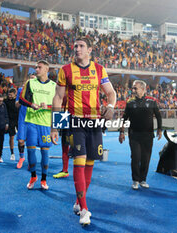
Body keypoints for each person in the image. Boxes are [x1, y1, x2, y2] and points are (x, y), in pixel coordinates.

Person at [50, 37, 116, 226]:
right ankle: (85, 209)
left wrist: (110, 107)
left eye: (81, 46)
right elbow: (58, 98)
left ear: (89, 50)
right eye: (75, 46)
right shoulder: (65, 70)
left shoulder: (100, 69)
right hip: (75, 122)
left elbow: (110, 93)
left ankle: (79, 201)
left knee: (89, 163)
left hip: (94, 123)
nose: (77, 49)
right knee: (79, 161)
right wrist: (55, 126)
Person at [18, 60, 56, 190]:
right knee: (31, 150)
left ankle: (44, 180)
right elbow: (21, 99)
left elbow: (59, 106)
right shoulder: (30, 83)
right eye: (36, 67)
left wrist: (49, 106)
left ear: (47, 69)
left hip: (46, 124)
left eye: (39, 67)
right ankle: (33, 176)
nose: (36, 69)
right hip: (32, 122)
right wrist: (31, 104)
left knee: (45, 153)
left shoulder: (53, 86)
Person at [119, 80, 162, 190]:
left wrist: (160, 129)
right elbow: (124, 118)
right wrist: (121, 132)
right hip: (134, 136)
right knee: (135, 157)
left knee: (145, 158)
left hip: (148, 136)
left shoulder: (152, 101)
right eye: (132, 88)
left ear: (143, 89)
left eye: (135, 88)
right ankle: (135, 180)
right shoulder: (130, 102)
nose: (133, 90)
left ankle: (143, 179)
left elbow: (158, 116)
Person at [15, 74, 36, 169]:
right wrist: (22, 99)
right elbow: (16, 105)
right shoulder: (21, 90)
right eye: (30, 79)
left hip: (33, 118)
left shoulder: (38, 91)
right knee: (20, 140)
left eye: (34, 79)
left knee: (32, 142)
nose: (32, 81)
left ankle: (30, 161)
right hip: (22, 118)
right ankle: (21, 157)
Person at [4, 88, 19, 160]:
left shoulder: (18, 101)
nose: (9, 96)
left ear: (15, 94)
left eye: (11, 94)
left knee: (21, 137)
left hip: (19, 120)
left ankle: (21, 154)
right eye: (9, 94)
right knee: (11, 137)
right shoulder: (6, 101)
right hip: (10, 121)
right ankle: (12, 153)